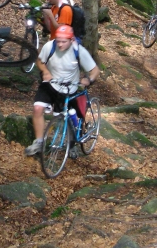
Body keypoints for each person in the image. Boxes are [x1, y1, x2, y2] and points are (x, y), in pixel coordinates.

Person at [25, 25, 100, 156]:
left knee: (65, 117)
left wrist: (89, 79)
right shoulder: (50, 46)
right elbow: (40, 61)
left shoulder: (79, 51)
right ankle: (39, 143)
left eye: (63, 42)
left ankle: (71, 144)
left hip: (68, 89)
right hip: (50, 84)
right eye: (58, 40)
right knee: (37, 108)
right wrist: (45, 71)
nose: (59, 44)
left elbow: (95, 70)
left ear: (71, 40)